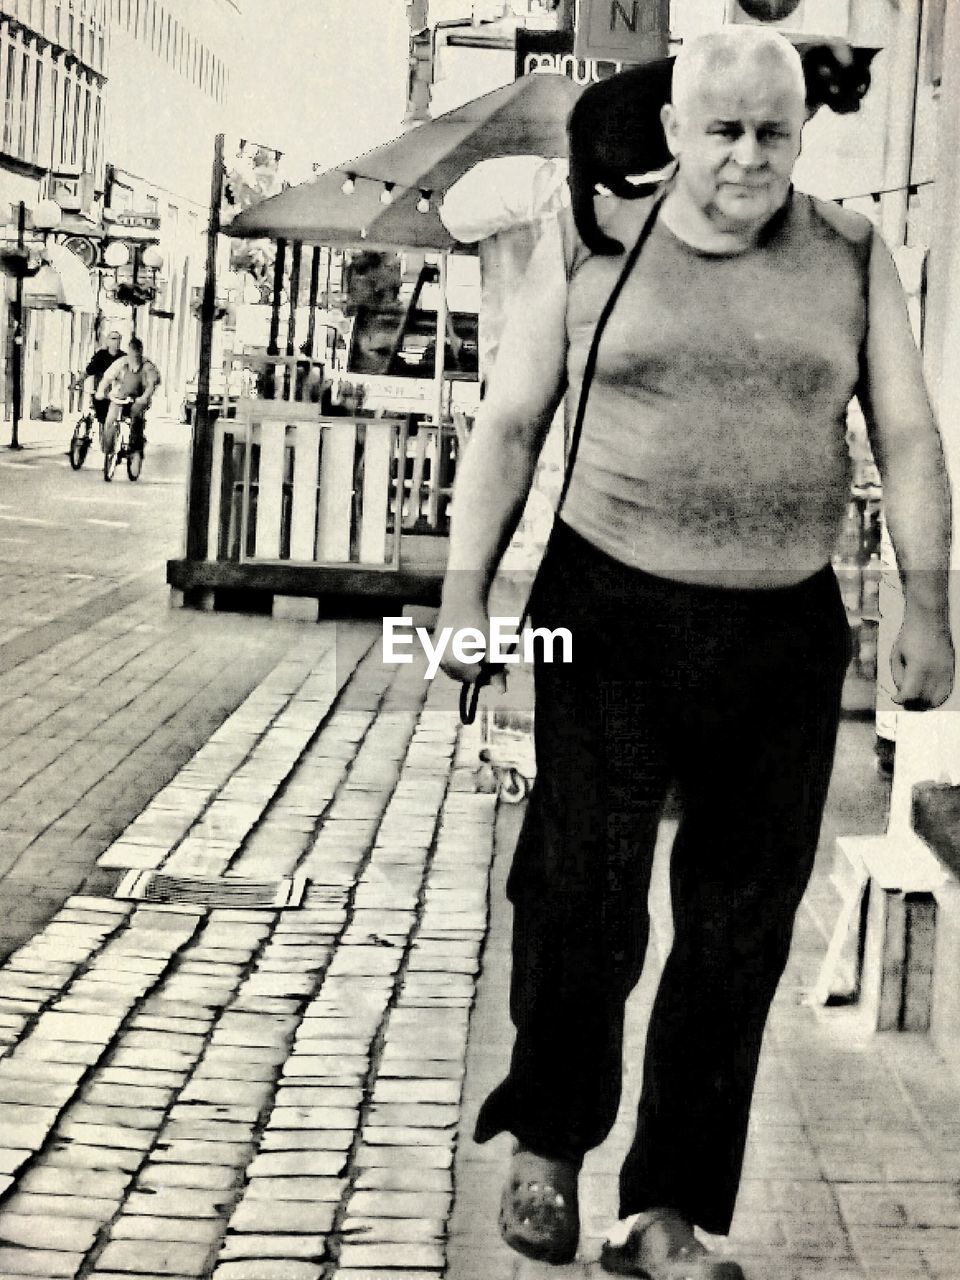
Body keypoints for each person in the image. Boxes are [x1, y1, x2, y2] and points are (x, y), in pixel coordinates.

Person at [436, 26, 954, 1280]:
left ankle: (664, 1210)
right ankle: (550, 1143)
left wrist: (927, 601)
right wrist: (464, 598)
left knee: (737, 928)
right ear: (675, 130)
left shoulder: (850, 250)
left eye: (773, 132)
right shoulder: (596, 237)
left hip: (780, 627)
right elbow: (510, 424)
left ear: (799, 132)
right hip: (605, 605)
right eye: (722, 130)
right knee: (581, 887)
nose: (749, 157)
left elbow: (907, 429)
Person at [95, 336, 160, 456]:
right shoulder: (122, 362)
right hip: (120, 397)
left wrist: (144, 397)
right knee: (109, 420)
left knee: (136, 417)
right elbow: (107, 378)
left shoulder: (147, 366)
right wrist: (100, 391)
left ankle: (135, 445)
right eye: (132, 351)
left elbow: (151, 384)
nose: (134, 354)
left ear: (141, 351)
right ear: (129, 350)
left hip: (138, 399)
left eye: (137, 351)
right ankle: (108, 452)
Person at [83, 329, 125, 431]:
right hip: (101, 394)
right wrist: (78, 382)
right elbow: (89, 370)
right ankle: (104, 442)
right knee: (103, 420)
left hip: (117, 395)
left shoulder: (124, 357)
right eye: (113, 338)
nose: (117, 341)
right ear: (108, 341)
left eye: (119, 339)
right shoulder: (101, 355)